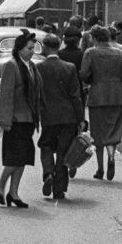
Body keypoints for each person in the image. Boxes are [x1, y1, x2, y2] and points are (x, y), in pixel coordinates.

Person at [0, 30, 43, 208]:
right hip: (15, 120)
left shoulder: (31, 66)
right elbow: (6, 95)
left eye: (33, 48)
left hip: (28, 119)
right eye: (29, 48)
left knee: (24, 157)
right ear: (20, 49)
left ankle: (13, 193)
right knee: (16, 158)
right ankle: (0, 185)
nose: (32, 52)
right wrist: (3, 121)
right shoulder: (12, 65)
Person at [81, 26, 122, 181]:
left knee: (98, 132)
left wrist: (91, 79)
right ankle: (111, 157)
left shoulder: (90, 52)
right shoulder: (120, 53)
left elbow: (84, 74)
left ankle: (100, 169)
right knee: (113, 129)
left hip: (97, 95)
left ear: (95, 38)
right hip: (117, 95)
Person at [37, 35, 83, 200]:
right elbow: (76, 96)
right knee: (64, 151)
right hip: (68, 116)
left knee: (46, 145)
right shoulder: (69, 68)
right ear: (58, 47)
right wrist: (81, 119)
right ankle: (59, 189)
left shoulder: (39, 67)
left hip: (48, 115)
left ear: (45, 47)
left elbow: (36, 94)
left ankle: (48, 173)